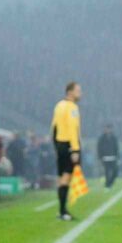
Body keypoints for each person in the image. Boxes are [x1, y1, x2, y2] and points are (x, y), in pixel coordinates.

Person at [52, 82, 83, 220]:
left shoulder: (59, 105)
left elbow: (53, 127)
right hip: (69, 145)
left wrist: (56, 146)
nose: (80, 93)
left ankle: (61, 210)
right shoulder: (72, 107)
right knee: (66, 177)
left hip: (60, 144)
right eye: (78, 90)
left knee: (61, 178)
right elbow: (72, 129)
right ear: (70, 92)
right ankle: (63, 211)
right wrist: (75, 149)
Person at [97, 125, 119, 189]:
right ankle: (107, 185)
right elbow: (99, 148)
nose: (108, 130)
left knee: (115, 171)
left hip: (113, 157)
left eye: (109, 129)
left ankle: (110, 183)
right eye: (107, 129)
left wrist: (117, 156)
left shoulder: (114, 138)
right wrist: (100, 156)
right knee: (107, 172)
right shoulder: (102, 138)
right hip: (105, 158)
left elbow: (116, 147)